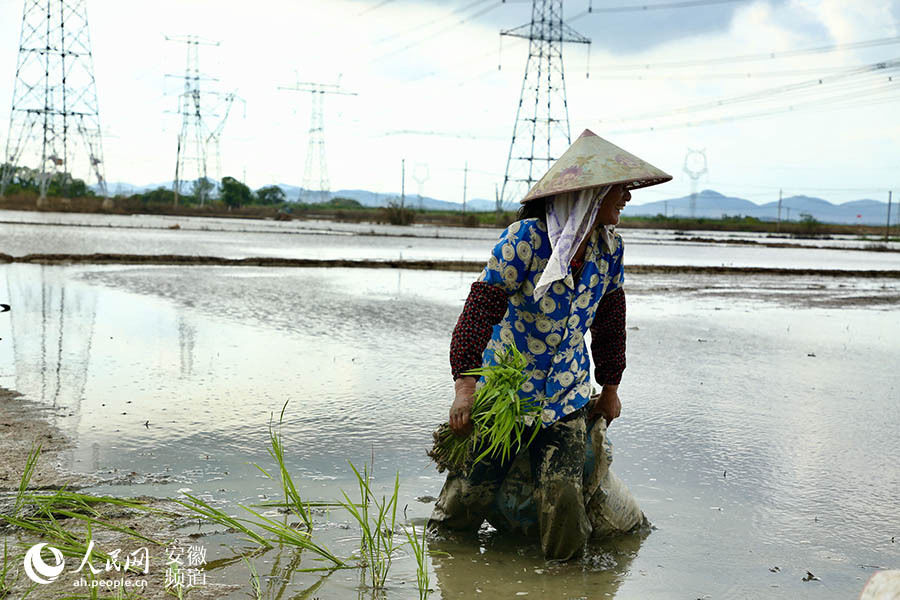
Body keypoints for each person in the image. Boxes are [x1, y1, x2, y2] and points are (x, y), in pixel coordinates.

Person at [428, 129, 672, 561]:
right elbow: (480, 307)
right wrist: (464, 387)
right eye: (620, 190)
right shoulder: (524, 241)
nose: (627, 199)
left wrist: (610, 387)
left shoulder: (609, 249)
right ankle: (446, 561)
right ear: (590, 195)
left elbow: (611, 320)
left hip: (566, 394)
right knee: (472, 487)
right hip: (507, 391)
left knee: (563, 492)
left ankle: (562, 576)